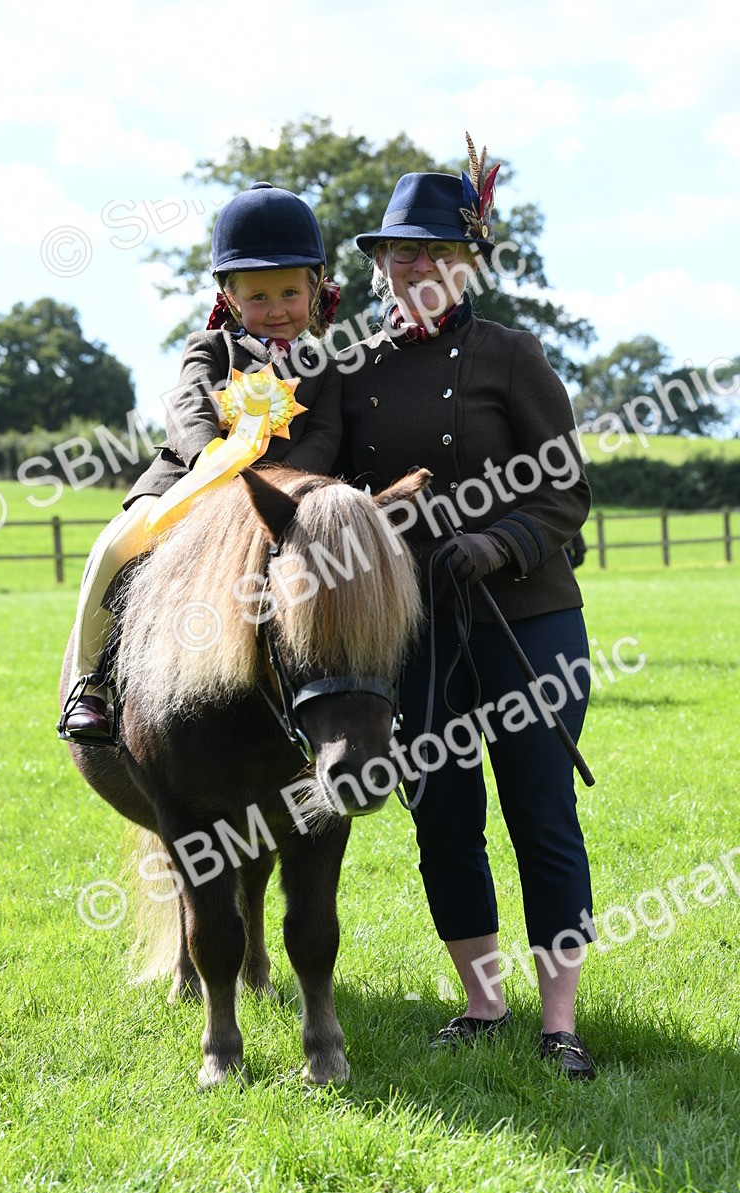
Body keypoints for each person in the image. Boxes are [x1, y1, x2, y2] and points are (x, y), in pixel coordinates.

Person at [335, 137, 597, 1078]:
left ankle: (559, 1023)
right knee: (443, 813)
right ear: (378, 267)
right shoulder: (349, 367)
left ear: (467, 262)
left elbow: (566, 486)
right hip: (412, 630)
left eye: (432, 253)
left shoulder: (513, 357)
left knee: (542, 813)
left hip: (528, 620)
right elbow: (321, 482)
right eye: (397, 253)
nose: (412, 269)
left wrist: (500, 541)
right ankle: (482, 1003)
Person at [59, 182, 342, 742]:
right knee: (113, 546)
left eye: (289, 292)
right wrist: (213, 461)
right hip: (189, 484)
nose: (276, 309)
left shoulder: (324, 365)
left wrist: (277, 484)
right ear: (231, 299)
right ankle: (90, 684)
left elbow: (327, 434)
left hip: (285, 499)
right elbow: (188, 409)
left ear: (314, 288)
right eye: (258, 298)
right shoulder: (210, 347)